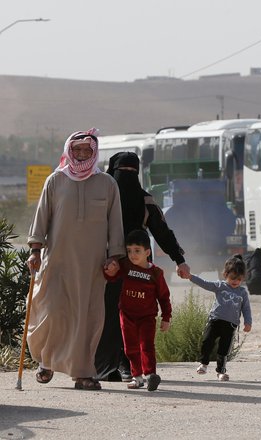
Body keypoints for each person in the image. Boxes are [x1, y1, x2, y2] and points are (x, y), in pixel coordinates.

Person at [26, 128, 124, 391]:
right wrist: (35, 251)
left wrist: (114, 257)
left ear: (94, 152)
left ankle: (83, 373)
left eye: (87, 150)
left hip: (92, 266)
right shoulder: (55, 181)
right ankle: (46, 361)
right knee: (52, 313)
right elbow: (41, 219)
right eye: (77, 149)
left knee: (87, 319)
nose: (81, 154)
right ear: (69, 150)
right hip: (57, 261)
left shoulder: (107, 183)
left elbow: (115, 224)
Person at [95, 151, 190, 382]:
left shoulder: (145, 201)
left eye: (131, 172)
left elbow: (163, 232)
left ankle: (128, 366)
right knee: (104, 318)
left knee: (131, 318)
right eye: (121, 172)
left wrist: (179, 259)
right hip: (103, 269)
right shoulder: (99, 198)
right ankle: (106, 366)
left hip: (133, 271)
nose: (126, 177)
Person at [103, 229, 172, 391]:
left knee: (146, 346)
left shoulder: (155, 273)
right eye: (129, 251)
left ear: (147, 252)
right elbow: (111, 278)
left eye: (137, 251)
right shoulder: (125, 266)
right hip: (126, 316)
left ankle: (151, 375)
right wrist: (109, 271)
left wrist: (166, 317)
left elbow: (164, 297)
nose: (132, 255)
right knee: (130, 348)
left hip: (147, 317)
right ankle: (137, 377)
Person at [182, 254, 252, 380]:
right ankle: (203, 364)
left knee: (224, 350)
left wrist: (248, 322)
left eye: (239, 279)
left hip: (230, 325)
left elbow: (246, 308)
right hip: (215, 321)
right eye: (232, 278)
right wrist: (190, 276)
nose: (235, 281)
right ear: (225, 274)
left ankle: (221, 372)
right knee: (207, 341)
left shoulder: (242, 293)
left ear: (243, 278)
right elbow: (204, 283)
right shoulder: (220, 286)